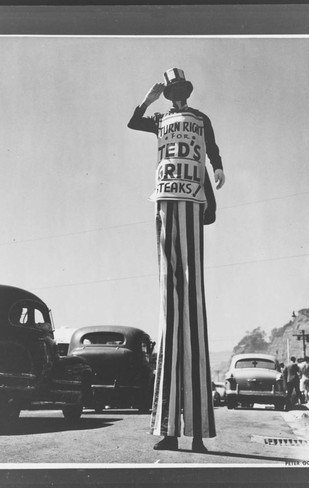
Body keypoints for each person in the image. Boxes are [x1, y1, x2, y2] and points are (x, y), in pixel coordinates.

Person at [127, 68, 225, 453]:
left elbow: (213, 148)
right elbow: (133, 121)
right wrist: (148, 96)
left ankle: (197, 434)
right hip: (167, 208)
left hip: (191, 208)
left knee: (192, 312)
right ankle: (169, 432)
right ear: (168, 95)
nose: (177, 96)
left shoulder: (200, 120)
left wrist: (217, 168)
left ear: (187, 91)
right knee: (170, 315)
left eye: (179, 90)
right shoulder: (160, 120)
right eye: (171, 92)